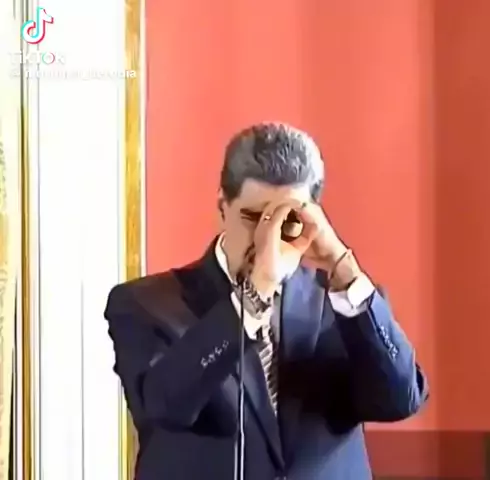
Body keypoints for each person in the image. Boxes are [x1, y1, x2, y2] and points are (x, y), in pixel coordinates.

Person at [104, 122, 429, 480]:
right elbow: (165, 406)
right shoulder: (145, 304)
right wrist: (255, 293)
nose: (266, 238)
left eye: (286, 220)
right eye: (254, 218)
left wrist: (342, 266)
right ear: (222, 207)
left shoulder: (342, 301)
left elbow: (400, 400)